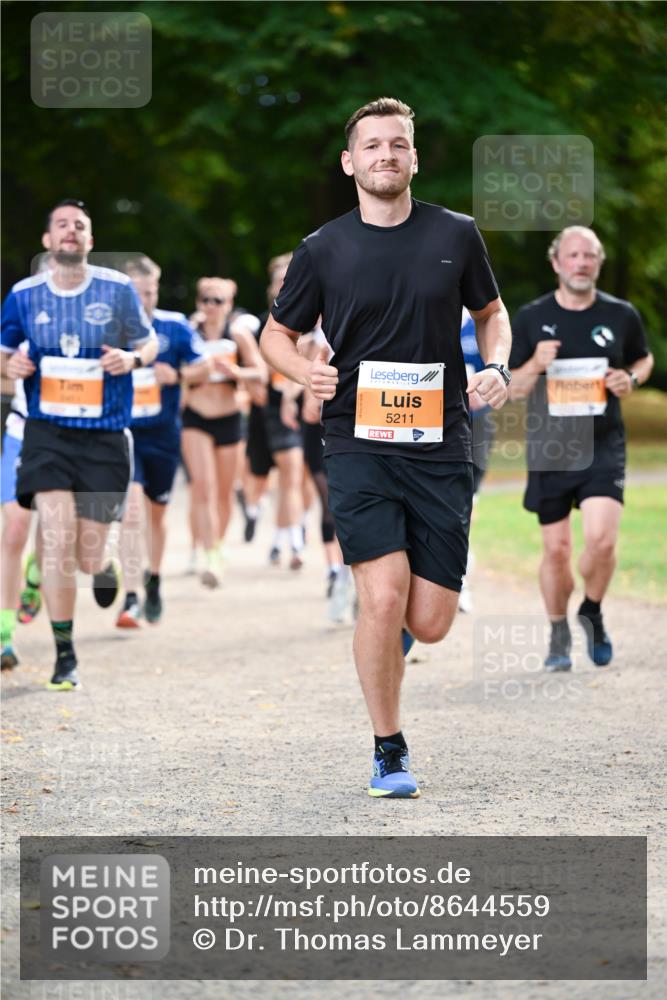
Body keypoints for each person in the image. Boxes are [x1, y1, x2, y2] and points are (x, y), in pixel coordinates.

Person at [260, 98, 511, 798]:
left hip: (438, 442)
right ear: (350, 162)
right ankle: (388, 748)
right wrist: (300, 369)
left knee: (427, 623)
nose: (385, 155)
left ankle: (385, 652)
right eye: (371, 146)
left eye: (397, 144)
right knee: (381, 595)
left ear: (413, 157)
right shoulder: (322, 249)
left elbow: (491, 315)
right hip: (355, 438)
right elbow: (273, 337)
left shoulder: (456, 235)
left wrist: (494, 366)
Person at [0, 199, 157, 689]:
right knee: (55, 532)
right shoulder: (24, 296)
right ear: (48, 241)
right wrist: (14, 367)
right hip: (47, 434)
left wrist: (131, 361)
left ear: (90, 241)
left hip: (106, 436)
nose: (71, 231)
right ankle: (64, 654)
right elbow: (4, 356)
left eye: (80, 226)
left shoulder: (117, 290)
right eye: (62, 225)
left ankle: (103, 563)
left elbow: (149, 343)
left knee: (85, 556)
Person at [509, 225, 653, 671]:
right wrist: (536, 362)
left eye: (588, 255)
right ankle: (557, 632)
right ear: (556, 263)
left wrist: (629, 379)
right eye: (572, 255)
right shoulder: (532, 318)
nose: (581, 263)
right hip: (550, 448)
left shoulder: (621, 314)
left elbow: (642, 359)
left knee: (602, 542)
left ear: (599, 262)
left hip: (603, 443)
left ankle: (591, 608)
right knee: (556, 551)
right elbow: (512, 388)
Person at [115, 256, 208, 626]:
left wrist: (178, 374)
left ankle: (153, 579)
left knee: (156, 514)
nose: (144, 299)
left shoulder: (175, 326)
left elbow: (203, 367)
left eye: (150, 292)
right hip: (123, 434)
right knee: (132, 510)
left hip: (163, 434)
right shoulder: (110, 329)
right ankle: (131, 596)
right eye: (137, 293)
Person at [181, 277, 266, 587]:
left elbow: (262, 371)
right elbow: (174, 371)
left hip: (229, 418)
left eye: (218, 301)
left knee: (225, 493)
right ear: (198, 303)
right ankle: (208, 553)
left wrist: (237, 372)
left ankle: (217, 544)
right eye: (206, 300)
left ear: (229, 305)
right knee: (202, 487)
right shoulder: (189, 334)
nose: (211, 306)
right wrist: (198, 372)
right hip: (196, 417)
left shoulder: (238, 335)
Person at [244, 253, 306, 569]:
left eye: (289, 278)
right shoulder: (261, 325)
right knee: (283, 475)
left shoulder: (314, 315)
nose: (284, 284)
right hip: (272, 410)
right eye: (279, 279)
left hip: (308, 407)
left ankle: (284, 537)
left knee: (301, 480)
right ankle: (290, 539)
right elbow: (257, 372)